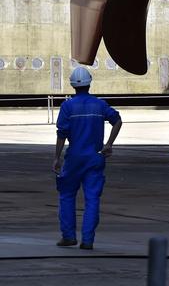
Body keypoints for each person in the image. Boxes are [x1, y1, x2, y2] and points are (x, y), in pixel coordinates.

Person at [53, 66, 122, 250]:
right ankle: (88, 240)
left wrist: (57, 158)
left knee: (67, 196)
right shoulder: (99, 105)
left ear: (72, 85)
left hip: (74, 159)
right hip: (95, 158)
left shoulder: (67, 106)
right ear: (89, 83)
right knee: (92, 199)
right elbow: (117, 121)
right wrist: (109, 144)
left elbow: (62, 134)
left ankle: (68, 236)